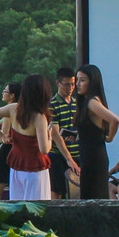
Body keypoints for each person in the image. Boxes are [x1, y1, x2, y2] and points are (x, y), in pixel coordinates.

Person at [0, 73, 56, 201]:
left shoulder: (13, 109)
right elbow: (44, 149)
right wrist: (50, 136)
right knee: (37, 209)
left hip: (16, 168)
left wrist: (1, 135)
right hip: (35, 169)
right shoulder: (39, 117)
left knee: (17, 207)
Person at [72, 64, 119, 199]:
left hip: (95, 157)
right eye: (77, 80)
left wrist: (110, 137)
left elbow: (115, 120)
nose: (78, 84)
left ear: (92, 82)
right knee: (88, 195)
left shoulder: (92, 102)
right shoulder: (84, 102)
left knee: (94, 196)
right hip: (87, 155)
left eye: (82, 80)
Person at [49, 68, 82, 198]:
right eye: (66, 84)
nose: (70, 88)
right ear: (58, 83)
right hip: (58, 154)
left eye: (73, 84)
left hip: (77, 152)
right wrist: (68, 159)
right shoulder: (52, 104)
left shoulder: (77, 103)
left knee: (77, 190)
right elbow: (55, 134)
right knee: (57, 190)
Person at [0, 80, 21, 199]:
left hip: (6, 149)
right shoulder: (20, 109)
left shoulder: (9, 110)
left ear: (12, 95)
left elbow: (5, 135)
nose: (3, 93)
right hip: (18, 149)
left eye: (5, 91)